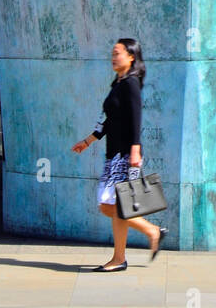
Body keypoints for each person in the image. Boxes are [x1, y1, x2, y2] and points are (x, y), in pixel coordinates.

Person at [72, 38, 167, 270]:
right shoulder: (118, 82)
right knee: (109, 206)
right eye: (112, 53)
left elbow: (136, 117)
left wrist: (135, 149)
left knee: (116, 205)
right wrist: (88, 141)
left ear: (131, 57)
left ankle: (122, 255)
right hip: (113, 153)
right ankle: (148, 233)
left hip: (125, 154)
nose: (113, 57)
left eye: (118, 53)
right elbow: (107, 119)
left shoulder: (131, 83)